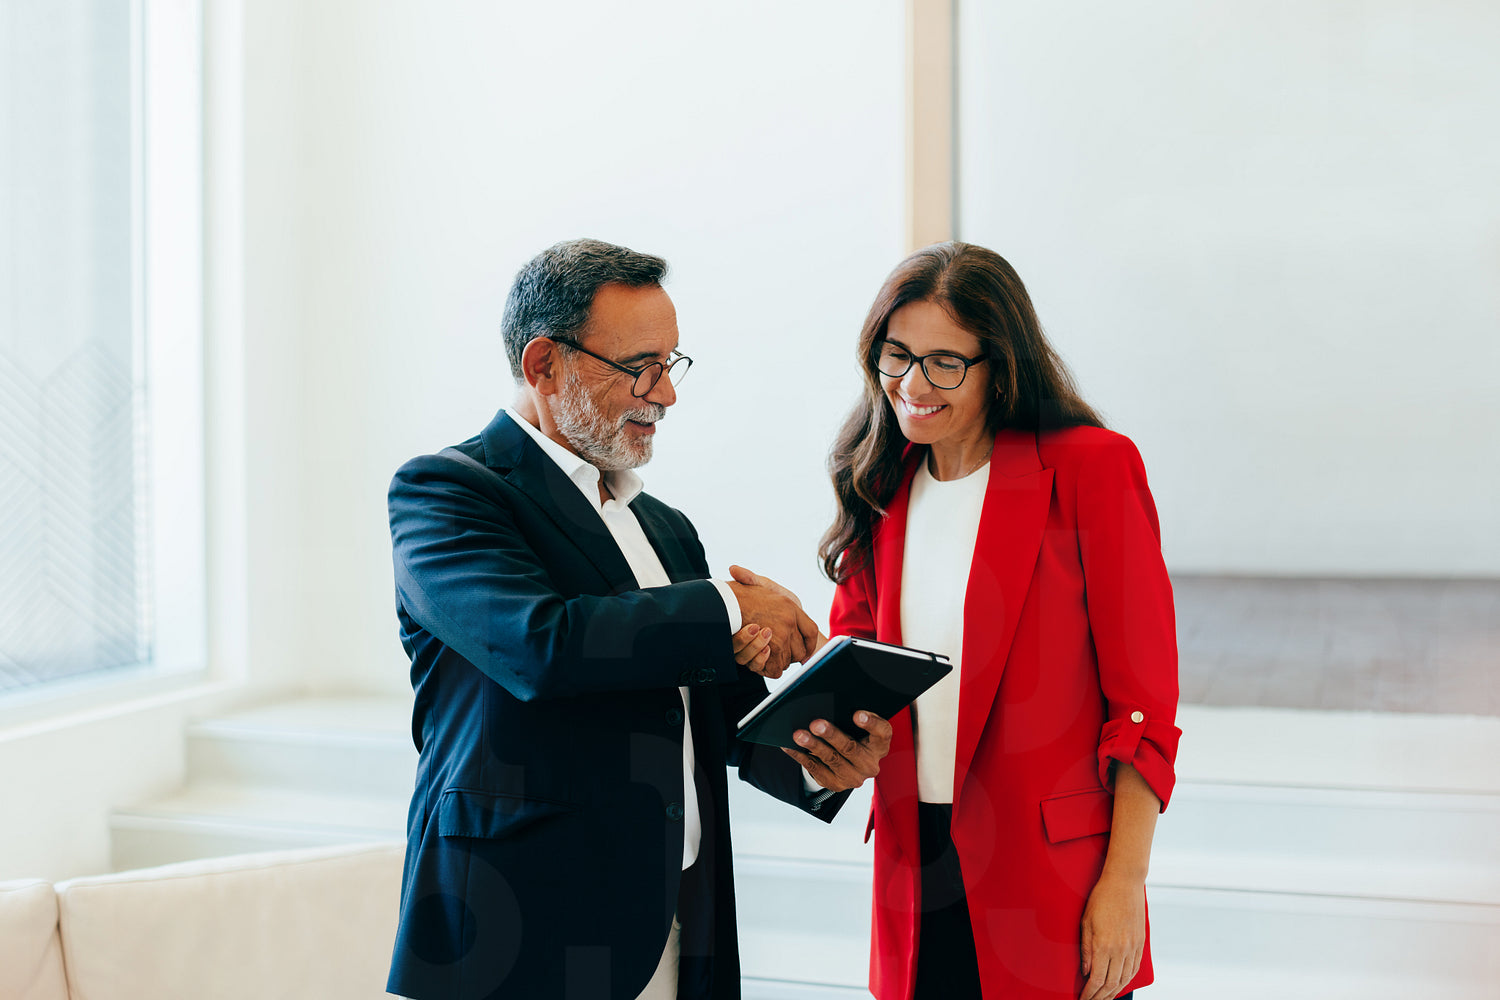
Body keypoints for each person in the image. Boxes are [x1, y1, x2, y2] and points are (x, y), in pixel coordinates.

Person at [385, 238, 893, 1000]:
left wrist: (820, 758)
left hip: (675, 926)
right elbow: (542, 645)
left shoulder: (666, 528)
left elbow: (712, 718)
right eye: (640, 366)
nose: (666, 394)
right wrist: (729, 604)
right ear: (544, 365)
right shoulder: (446, 494)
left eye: (671, 363)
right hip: (519, 929)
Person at [820, 242, 1181, 1000]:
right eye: (897, 355)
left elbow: (1143, 708)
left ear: (1001, 365)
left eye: (945, 363)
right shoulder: (877, 480)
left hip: (1053, 880)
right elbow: (856, 668)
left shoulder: (1090, 468)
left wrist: (1125, 884)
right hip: (913, 872)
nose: (913, 385)